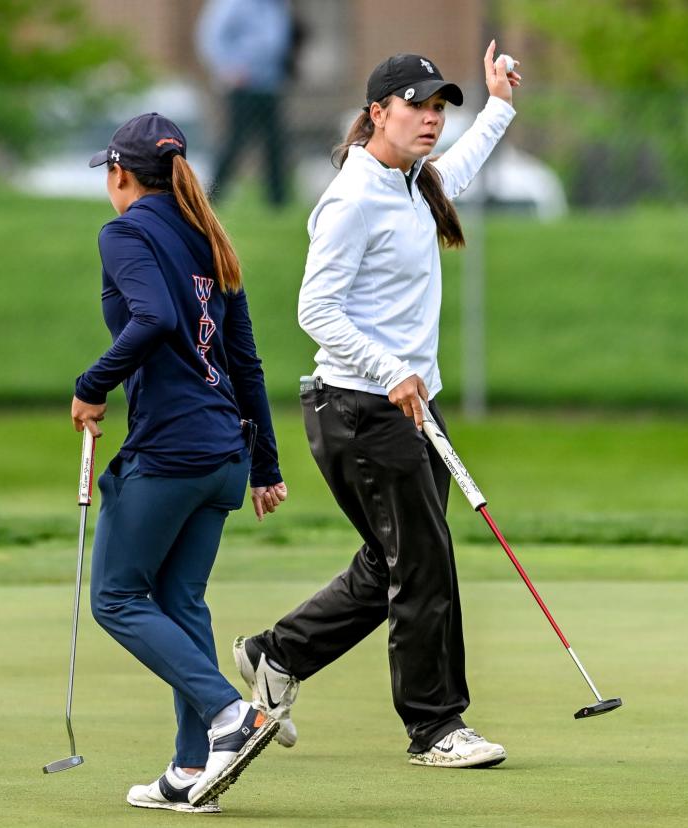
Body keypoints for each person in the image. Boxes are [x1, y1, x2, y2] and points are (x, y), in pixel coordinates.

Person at [232, 43, 522, 769]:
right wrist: (392, 369)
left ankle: (278, 653)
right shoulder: (353, 196)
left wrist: (500, 109)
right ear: (377, 114)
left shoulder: (413, 181)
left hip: (405, 406)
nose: (430, 120)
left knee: (391, 560)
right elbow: (315, 309)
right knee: (423, 564)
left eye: (438, 109)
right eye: (417, 107)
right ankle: (435, 728)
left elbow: (456, 170)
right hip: (360, 409)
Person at [70, 111, 289, 812]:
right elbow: (245, 361)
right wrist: (263, 465)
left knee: (115, 597)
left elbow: (157, 317)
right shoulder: (212, 236)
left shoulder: (125, 231)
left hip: (171, 451)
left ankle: (234, 714)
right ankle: (191, 772)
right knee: (180, 599)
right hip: (224, 453)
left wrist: (90, 384)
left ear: (120, 175)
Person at [195, 0, 295, 206]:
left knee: (275, 143)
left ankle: (278, 201)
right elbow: (211, 37)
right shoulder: (234, 4)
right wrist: (228, 69)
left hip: (270, 83)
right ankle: (211, 196)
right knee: (235, 142)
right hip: (243, 84)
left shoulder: (276, 5)